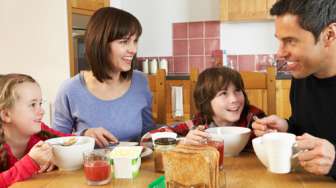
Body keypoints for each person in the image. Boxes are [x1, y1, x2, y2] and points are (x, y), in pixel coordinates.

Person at [252, 0, 336, 179]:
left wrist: (334, 162)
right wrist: (286, 128)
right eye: (280, 40)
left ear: (329, 35)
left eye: (290, 41)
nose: (280, 53)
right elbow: (306, 128)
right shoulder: (302, 76)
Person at [53, 7, 154, 148]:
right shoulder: (70, 89)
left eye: (135, 41)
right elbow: (55, 141)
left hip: (133, 167)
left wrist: (183, 131)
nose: (133, 49)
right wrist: (84, 135)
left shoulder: (140, 82)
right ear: (101, 44)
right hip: (89, 168)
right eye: (124, 42)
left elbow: (148, 134)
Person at [142, 67, 265, 145]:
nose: (234, 99)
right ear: (206, 101)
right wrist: (182, 141)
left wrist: (269, 135)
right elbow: (147, 139)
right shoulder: (199, 123)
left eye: (238, 90)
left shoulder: (254, 118)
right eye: (223, 93)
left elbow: (275, 139)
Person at [0, 74, 71, 188]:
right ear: (6, 114)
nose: (42, 111)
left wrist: (55, 157)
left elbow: (68, 141)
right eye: (32, 105)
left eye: (40, 103)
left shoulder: (41, 130)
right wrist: (31, 162)